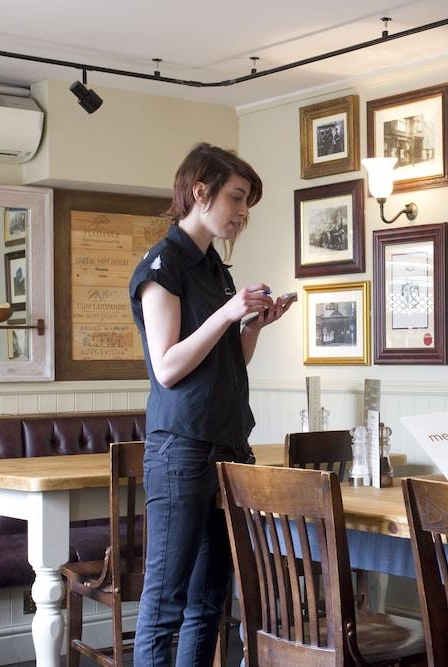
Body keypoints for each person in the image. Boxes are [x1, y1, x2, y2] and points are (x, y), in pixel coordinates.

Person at [129, 142, 293, 666]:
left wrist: (252, 326)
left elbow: (225, 366)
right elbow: (169, 368)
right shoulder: (164, 264)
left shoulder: (214, 269)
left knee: (209, 604)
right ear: (200, 192)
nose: (243, 213)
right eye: (237, 198)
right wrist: (226, 314)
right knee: (165, 605)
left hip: (226, 447)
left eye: (247, 203)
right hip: (181, 451)